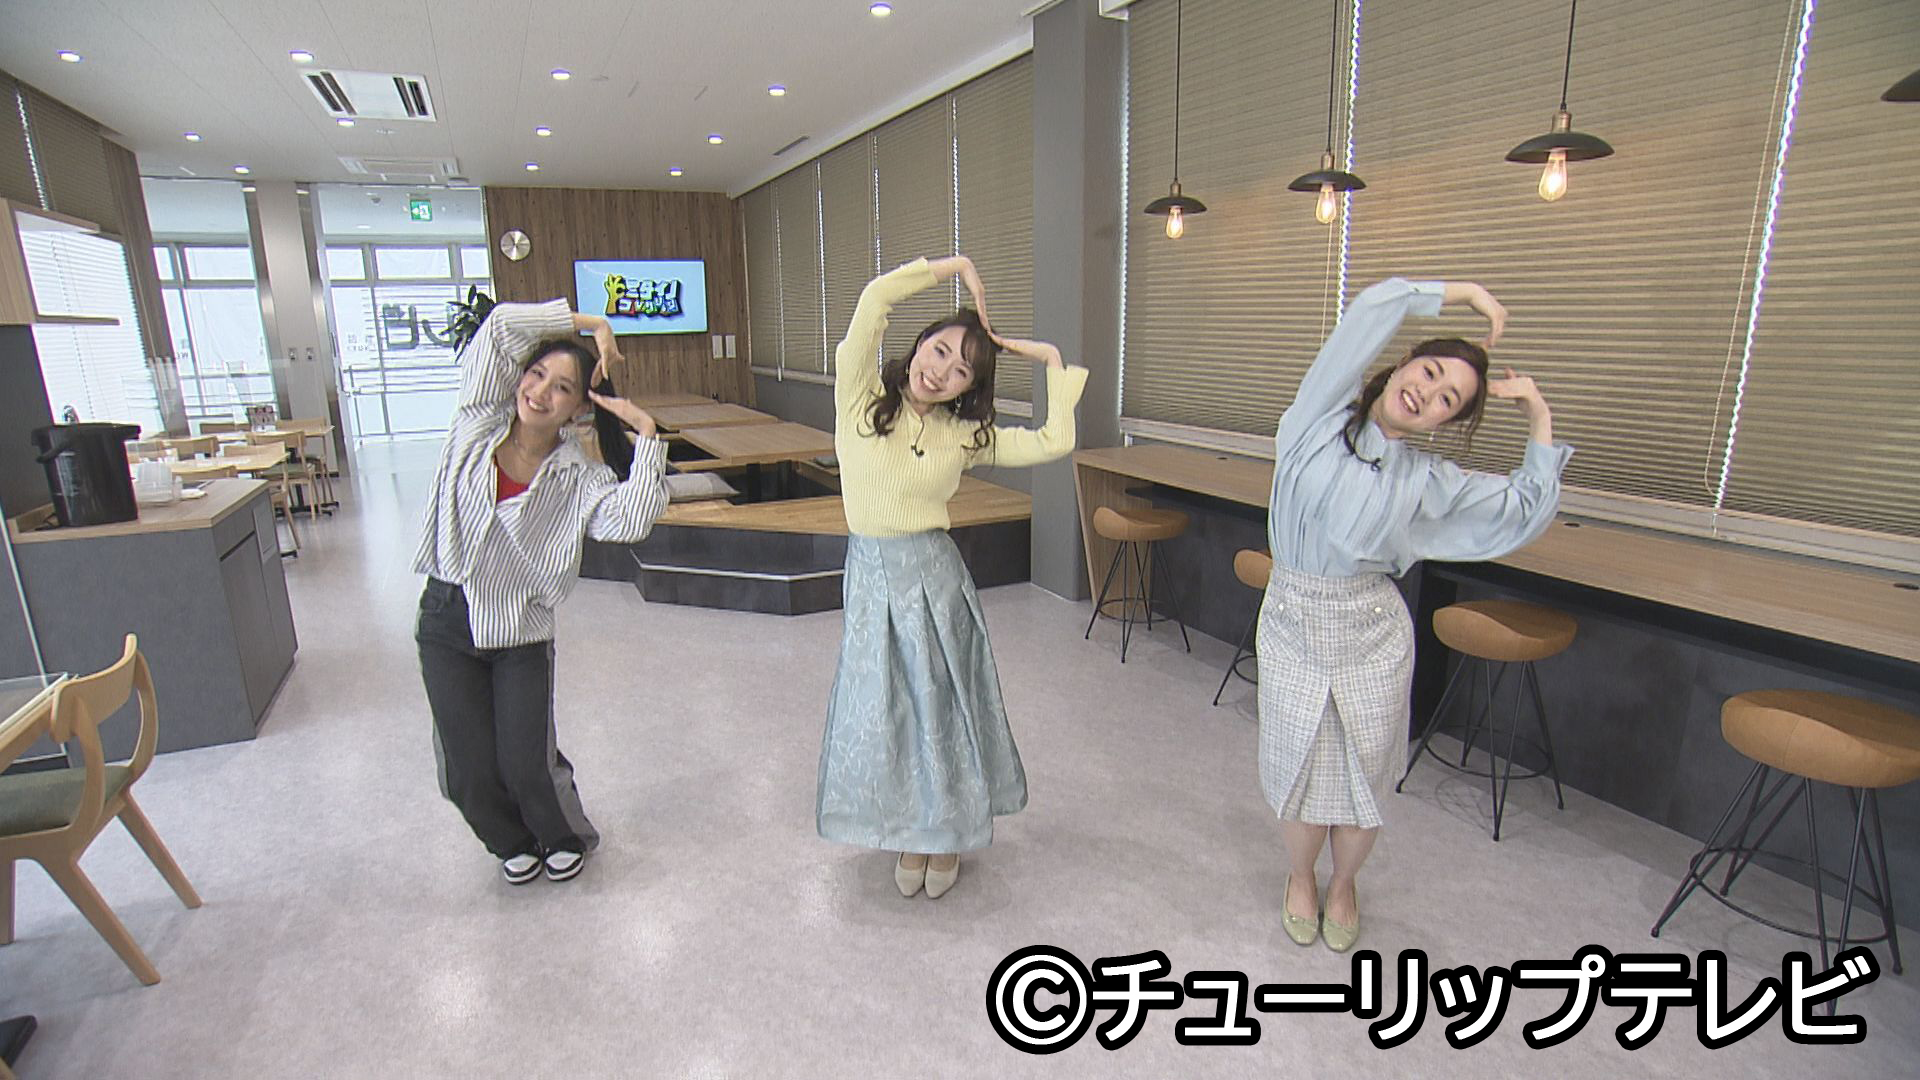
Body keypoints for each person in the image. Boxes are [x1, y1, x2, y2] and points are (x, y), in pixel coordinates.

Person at [1260, 278, 1569, 949]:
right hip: (1291, 620)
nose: (1428, 394)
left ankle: (1344, 883)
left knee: (1364, 774)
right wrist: (1464, 293)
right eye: (1429, 373)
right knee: (1298, 764)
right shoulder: (1316, 418)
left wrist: (1538, 414)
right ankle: (1301, 876)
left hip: (1372, 633)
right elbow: (1371, 310)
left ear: (1443, 425)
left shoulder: (1425, 482)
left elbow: (1522, 510)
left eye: (1447, 400)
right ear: (1401, 363)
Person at [816, 255, 1089, 899]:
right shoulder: (858, 396)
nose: (940, 371)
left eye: (961, 368)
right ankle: (911, 828)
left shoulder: (964, 434)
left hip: (934, 584)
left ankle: (944, 837)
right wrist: (955, 267)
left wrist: (1051, 362)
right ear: (918, 345)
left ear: (968, 386)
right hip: (871, 581)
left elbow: (1052, 442)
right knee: (887, 710)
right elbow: (874, 299)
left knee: (939, 710)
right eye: (938, 351)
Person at [414, 299, 668, 885]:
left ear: (580, 407)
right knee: (466, 771)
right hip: (447, 617)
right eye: (536, 375)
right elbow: (500, 327)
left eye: (562, 388)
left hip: (520, 631)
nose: (541, 392)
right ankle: (510, 840)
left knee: (525, 763)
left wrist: (649, 436)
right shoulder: (477, 424)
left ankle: (561, 835)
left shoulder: (578, 476)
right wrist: (592, 325)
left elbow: (631, 519)